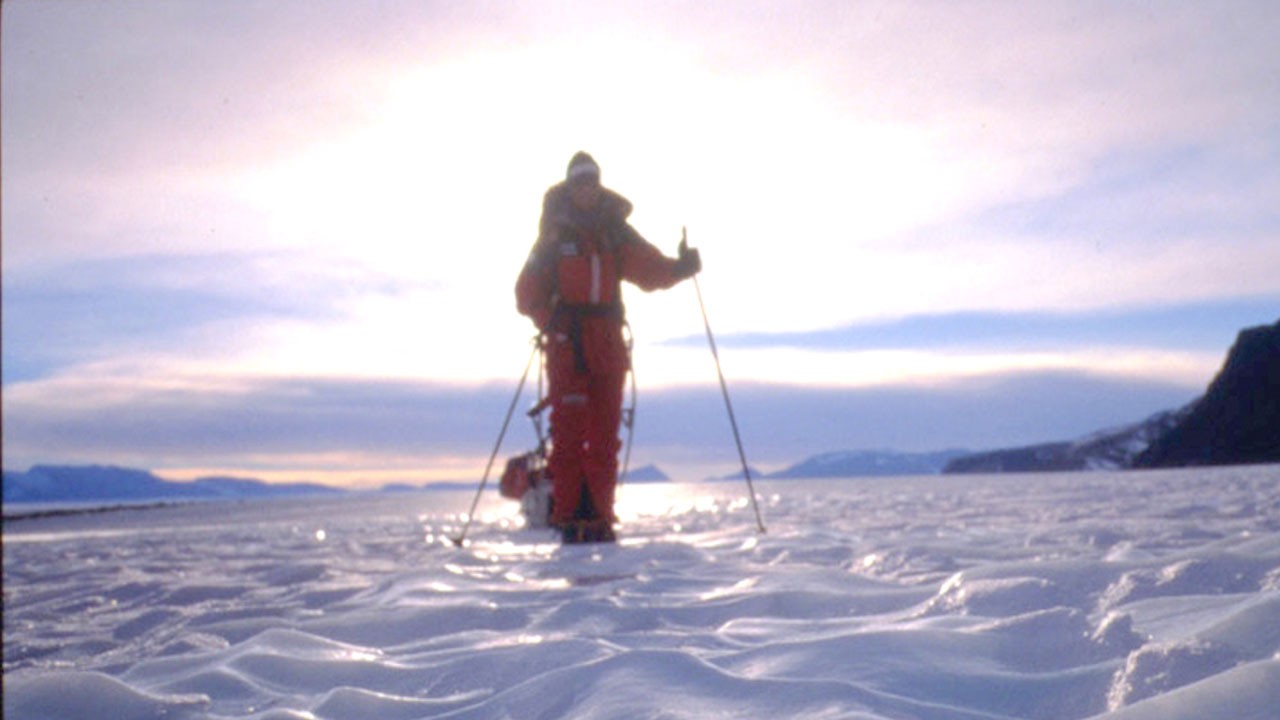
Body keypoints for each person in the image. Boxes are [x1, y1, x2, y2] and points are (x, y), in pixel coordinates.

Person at [515, 151, 701, 543]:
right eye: (580, 182)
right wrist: (554, 324)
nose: (587, 189)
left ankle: (599, 519)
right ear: (570, 187)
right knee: (567, 436)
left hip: (609, 345)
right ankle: (568, 520)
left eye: (591, 181)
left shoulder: (615, 232)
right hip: (568, 347)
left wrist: (680, 268)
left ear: (598, 185)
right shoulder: (552, 237)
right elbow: (525, 293)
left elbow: (650, 269)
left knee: (604, 436)